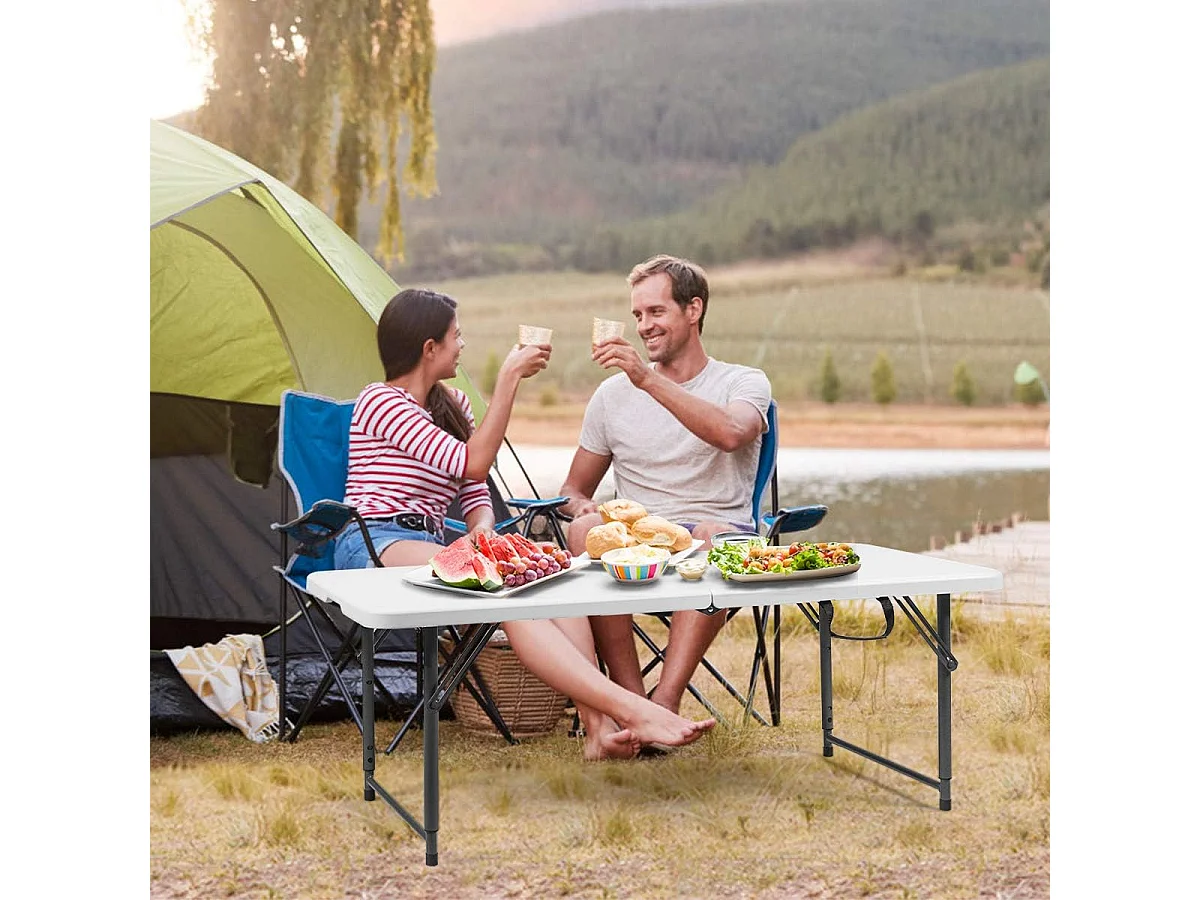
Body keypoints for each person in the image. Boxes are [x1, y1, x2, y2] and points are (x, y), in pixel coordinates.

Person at [333, 288, 716, 760]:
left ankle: (598, 731)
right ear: (429, 348)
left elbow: (472, 490)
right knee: (505, 592)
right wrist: (510, 378)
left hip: (430, 544)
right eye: (456, 336)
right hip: (375, 540)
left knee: (557, 580)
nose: (463, 345)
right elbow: (471, 463)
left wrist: (483, 526)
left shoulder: (452, 403)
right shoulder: (380, 401)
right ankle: (633, 708)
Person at [558, 255, 772, 716]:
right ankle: (630, 699)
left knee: (712, 538)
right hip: (638, 544)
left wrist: (645, 381)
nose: (644, 326)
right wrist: (580, 510)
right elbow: (574, 489)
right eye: (637, 315)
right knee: (585, 531)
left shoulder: (743, 382)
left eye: (656, 312)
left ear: (693, 310)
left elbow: (732, 433)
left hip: (716, 535)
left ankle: (666, 700)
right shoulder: (610, 397)